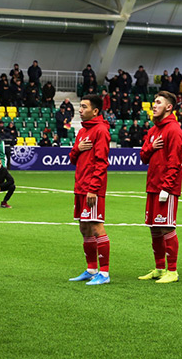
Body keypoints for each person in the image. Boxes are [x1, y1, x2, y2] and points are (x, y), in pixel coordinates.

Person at [138, 91, 182, 284]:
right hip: (152, 186)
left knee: (166, 227)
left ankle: (172, 271)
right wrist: (152, 147)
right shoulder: (153, 131)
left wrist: (167, 187)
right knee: (154, 228)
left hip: (166, 188)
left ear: (169, 107)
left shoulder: (174, 130)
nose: (153, 105)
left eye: (158, 102)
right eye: (153, 102)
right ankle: (159, 268)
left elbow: (175, 162)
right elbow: (143, 156)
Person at [67, 95, 112, 285]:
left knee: (95, 226)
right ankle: (92, 269)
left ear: (95, 111)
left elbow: (102, 162)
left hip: (92, 189)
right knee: (84, 227)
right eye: (80, 106)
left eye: (84, 107)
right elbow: (72, 158)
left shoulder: (101, 130)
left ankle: (105, 273)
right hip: (80, 187)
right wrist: (78, 148)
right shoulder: (82, 131)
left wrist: (93, 189)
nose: (80, 109)